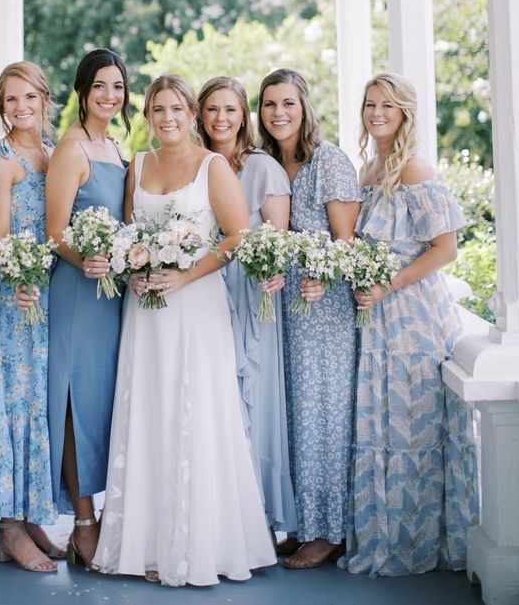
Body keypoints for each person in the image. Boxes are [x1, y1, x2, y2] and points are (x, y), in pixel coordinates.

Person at [93, 74, 276, 586]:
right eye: (157, 110)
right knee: (150, 410)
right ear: (148, 118)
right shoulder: (141, 166)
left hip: (195, 306)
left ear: (191, 115)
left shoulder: (213, 166)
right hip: (147, 312)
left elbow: (237, 236)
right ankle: (147, 546)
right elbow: (129, 231)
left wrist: (184, 273)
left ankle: (199, 545)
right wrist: (133, 269)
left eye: (176, 109)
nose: (167, 118)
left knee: (195, 409)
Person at [340, 72, 479, 576]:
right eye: (370, 104)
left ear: (404, 115)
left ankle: (419, 542)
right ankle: (385, 535)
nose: (376, 113)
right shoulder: (369, 168)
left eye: (387, 106)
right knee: (380, 423)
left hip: (412, 317)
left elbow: (446, 249)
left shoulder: (415, 169)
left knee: (412, 427)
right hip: (375, 316)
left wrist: (387, 285)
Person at [258, 68, 360, 569]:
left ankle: (331, 530)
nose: (278, 113)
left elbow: (346, 241)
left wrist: (326, 278)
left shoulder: (329, 161)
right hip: (285, 310)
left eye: (288, 103)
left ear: (305, 107)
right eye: (270, 104)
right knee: (296, 416)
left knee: (324, 415)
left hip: (326, 308)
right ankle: (303, 523)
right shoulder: (270, 163)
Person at [197, 76, 296, 535]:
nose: (221, 119)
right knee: (212, 401)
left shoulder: (262, 168)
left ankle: (253, 518)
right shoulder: (194, 163)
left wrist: (269, 269)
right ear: (200, 114)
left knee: (251, 398)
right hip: (203, 290)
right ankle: (216, 513)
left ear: (244, 116)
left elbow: (276, 240)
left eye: (230, 110)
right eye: (212, 109)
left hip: (252, 292)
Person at [0, 61, 62, 572]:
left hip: (49, 295)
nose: (20, 108)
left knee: (37, 404)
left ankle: (31, 516)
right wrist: (20, 278)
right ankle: (8, 528)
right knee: (10, 402)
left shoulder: (52, 156)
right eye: (10, 100)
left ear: (44, 101)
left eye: (29, 97)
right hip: (13, 297)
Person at [45, 48, 130, 567]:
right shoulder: (71, 149)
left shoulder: (116, 148)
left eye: (117, 86)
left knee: (103, 404)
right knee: (77, 401)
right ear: (82, 91)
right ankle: (82, 522)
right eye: (99, 86)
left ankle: (103, 514)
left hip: (113, 297)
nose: (109, 96)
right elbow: (56, 233)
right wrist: (87, 259)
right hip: (78, 291)